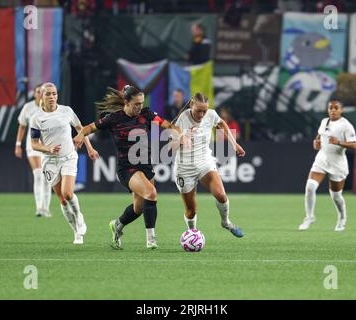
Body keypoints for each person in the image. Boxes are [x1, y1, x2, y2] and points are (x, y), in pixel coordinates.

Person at [73, 85, 181, 250]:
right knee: (151, 193)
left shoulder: (147, 115)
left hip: (146, 166)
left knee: (139, 208)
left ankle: (117, 225)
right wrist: (81, 135)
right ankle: (151, 240)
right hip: (127, 169)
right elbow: (89, 128)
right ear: (126, 102)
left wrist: (176, 135)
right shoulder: (113, 119)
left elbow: (169, 126)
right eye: (136, 103)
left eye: (141, 103)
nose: (139, 107)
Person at [30, 82, 99, 244]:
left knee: (68, 193)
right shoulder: (36, 118)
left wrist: (90, 148)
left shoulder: (66, 111)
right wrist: (48, 149)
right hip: (50, 161)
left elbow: (81, 129)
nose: (52, 97)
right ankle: (76, 231)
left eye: (54, 94)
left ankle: (79, 217)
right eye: (48, 94)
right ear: (42, 96)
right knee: (61, 199)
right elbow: (34, 143)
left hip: (68, 157)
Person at [172, 93, 245, 237]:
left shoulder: (211, 115)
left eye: (204, 110)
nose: (202, 114)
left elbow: (222, 123)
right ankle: (192, 232)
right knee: (191, 210)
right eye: (198, 110)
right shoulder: (182, 118)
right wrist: (181, 139)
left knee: (221, 195)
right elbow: (170, 146)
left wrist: (234, 143)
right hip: (184, 168)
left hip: (205, 161)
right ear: (192, 105)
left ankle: (226, 222)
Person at [298, 100, 356, 232]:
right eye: (330, 108)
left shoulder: (346, 125)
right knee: (310, 187)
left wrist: (339, 142)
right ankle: (309, 217)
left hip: (337, 163)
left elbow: (354, 145)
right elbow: (320, 134)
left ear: (341, 110)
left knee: (336, 196)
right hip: (322, 158)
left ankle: (342, 218)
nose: (333, 110)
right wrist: (316, 141)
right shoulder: (324, 121)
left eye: (336, 108)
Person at [15, 84, 52, 218]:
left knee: (47, 177)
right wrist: (18, 144)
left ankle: (46, 208)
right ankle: (39, 208)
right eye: (37, 91)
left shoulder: (50, 107)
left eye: (42, 92)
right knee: (37, 175)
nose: (39, 94)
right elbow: (22, 126)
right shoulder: (28, 107)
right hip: (33, 145)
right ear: (35, 93)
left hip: (47, 146)